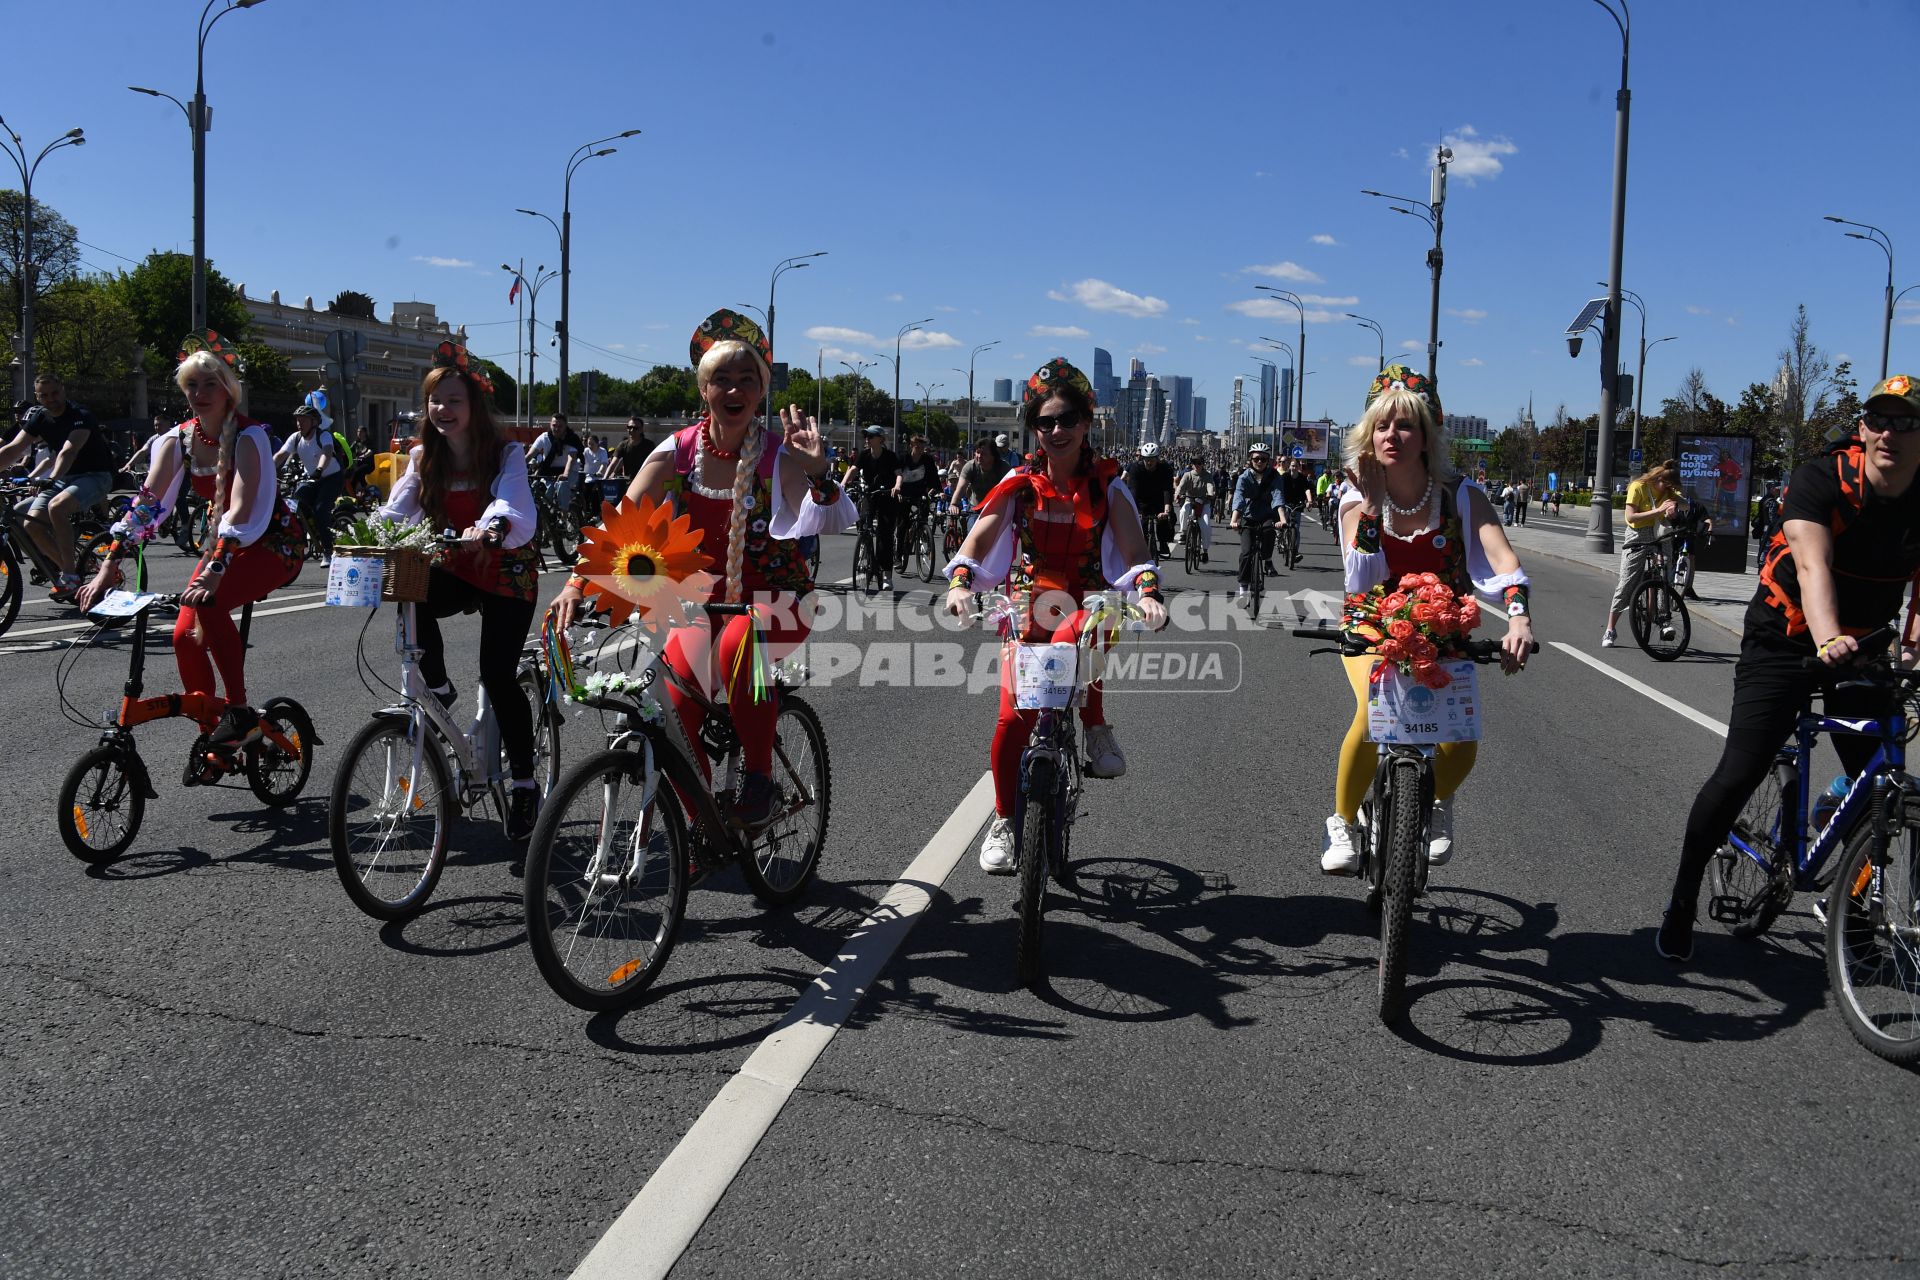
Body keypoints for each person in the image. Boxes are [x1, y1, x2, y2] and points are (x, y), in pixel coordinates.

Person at [545, 309, 852, 828]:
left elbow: (828, 518)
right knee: (677, 702)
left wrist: (818, 468)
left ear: (760, 392)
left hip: (778, 599)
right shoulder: (677, 452)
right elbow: (623, 523)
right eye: (722, 380)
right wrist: (576, 581)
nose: (734, 389)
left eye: (746, 380)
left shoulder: (779, 456)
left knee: (738, 646)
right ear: (704, 390)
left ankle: (759, 779)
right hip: (701, 601)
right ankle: (702, 826)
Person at [1656, 375, 1920, 962]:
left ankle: (1852, 917)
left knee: (1879, 785)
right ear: (1862, 429)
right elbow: (1811, 564)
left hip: (1866, 643)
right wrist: (1828, 640)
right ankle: (1682, 897)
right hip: (1788, 638)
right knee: (1739, 772)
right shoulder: (1822, 478)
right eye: (1879, 419)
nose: (1890, 433)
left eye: (1906, 423)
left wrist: (1911, 644)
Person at [943, 358, 1166, 872]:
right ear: (1034, 428)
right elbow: (980, 538)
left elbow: (1134, 553)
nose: (1057, 430)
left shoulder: (1109, 486)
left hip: (1088, 604)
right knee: (1008, 720)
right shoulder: (1019, 483)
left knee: (1076, 634)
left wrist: (1148, 593)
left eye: (1067, 419)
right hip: (1027, 602)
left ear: (1086, 423)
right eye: (1046, 422)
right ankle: (1003, 818)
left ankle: (1094, 723)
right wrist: (960, 583)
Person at [1322, 365, 1533, 873]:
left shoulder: (1461, 496)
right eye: (1382, 426)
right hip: (1373, 624)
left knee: (1460, 737)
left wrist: (1519, 619)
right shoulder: (1354, 495)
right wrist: (1372, 508)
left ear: (1426, 435)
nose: (1392, 436)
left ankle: (1438, 803)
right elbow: (1362, 577)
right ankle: (1343, 824)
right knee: (1372, 716)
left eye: (1406, 426)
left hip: (1443, 627)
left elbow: (1504, 562)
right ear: (1368, 434)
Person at [77, 333, 307, 750]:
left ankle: (238, 711)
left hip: (272, 544)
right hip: (223, 545)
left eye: (210, 384)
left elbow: (240, 511)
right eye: (192, 386)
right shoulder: (177, 440)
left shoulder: (250, 437)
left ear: (228, 389)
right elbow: (147, 504)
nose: (200, 394)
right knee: (184, 635)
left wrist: (216, 570)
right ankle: (211, 738)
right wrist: (109, 565)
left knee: (211, 603)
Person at [379, 341, 546, 840]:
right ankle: (440, 685)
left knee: (497, 674)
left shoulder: (504, 452)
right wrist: (369, 534)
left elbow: (513, 505)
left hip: (505, 571)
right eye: (435, 401)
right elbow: (397, 510)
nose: (442, 410)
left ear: (473, 407)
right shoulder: (421, 457)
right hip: (456, 565)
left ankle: (522, 784)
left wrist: (490, 528)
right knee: (408, 596)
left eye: (453, 400)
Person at [0, 373, 117, 602]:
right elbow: (14, 448)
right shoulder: (41, 418)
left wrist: (52, 478)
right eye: (44, 395)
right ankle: (70, 566)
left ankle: (71, 575)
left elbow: (69, 450)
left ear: (62, 390)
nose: (50, 399)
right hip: (65, 479)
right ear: (37, 397)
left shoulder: (80, 415)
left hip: (96, 475)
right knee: (30, 521)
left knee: (57, 507)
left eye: (54, 393)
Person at [1601, 460, 1680, 647]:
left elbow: (1684, 503)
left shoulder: (1669, 491)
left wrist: (1674, 511)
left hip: (1660, 534)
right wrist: (1658, 510)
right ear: (1659, 479)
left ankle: (1664, 620)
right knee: (1627, 581)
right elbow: (1630, 517)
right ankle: (1610, 629)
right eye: (1667, 486)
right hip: (1637, 534)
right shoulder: (1638, 487)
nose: (1668, 490)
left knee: (1665, 575)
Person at [273, 400, 344, 561]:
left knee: (320, 511)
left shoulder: (323, 435)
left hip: (331, 478)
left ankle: (328, 550)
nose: (299, 423)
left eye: (303, 420)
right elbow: (280, 456)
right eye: (297, 420)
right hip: (312, 479)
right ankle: (308, 536)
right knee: (296, 502)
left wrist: (319, 470)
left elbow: (326, 453)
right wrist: (264, 469)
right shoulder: (296, 438)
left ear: (314, 422)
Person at [846, 425, 901, 588]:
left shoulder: (890, 456)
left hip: (887, 496)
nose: (867, 439)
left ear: (881, 439)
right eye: (866, 436)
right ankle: (865, 546)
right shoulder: (863, 455)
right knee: (863, 524)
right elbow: (854, 469)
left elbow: (898, 473)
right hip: (870, 494)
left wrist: (897, 486)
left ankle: (886, 576)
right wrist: (842, 484)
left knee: (885, 535)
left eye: (871, 436)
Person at [1230, 442, 1284, 600]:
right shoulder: (1244, 477)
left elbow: (1278, 497)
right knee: (1246, 553)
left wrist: (1282, 519)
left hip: (1267, 514)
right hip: (1249, 516)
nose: (1259, 462)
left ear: (1269, 461)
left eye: (1263, 459)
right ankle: (1243, 588)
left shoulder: (1275, 476)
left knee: (1269, 531)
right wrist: (1234, 520)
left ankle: (1267, 559)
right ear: (1250, 459)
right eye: (1256, 459)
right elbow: (1238, 498)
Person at [892, 434, 939, 567]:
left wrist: (935, 490)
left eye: (922, 446)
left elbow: (933, 478)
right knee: (902, 524)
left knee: (923, 517)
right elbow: (895, 476)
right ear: (911, 446)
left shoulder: (927, 460)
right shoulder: (903, 459)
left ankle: (921, 532)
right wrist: (898, 492)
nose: (920, 449)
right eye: (917, 446)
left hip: (920, 493)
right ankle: (898, 555)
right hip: (904, 493)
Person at [1125, 442, 1176, 557]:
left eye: (1152, 459)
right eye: (1147, 459)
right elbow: (1133, 490)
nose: (1149, 462)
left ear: (1157, 459)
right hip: (1142, 501)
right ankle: (1143, 547)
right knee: (1140, 525)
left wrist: (1167, 509)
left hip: (1159, 500)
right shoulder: (1135, 468)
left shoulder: (1166, 468)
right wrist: (1135, 511)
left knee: (1166, 519)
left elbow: (1167, 490)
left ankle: (1163, 543)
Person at [526, 412, 581, 512]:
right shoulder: (544, 437)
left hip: (568, 470)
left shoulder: (571, 438)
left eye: (560, 426)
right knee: (540, 489)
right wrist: (518, 466)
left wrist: (565, 474)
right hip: (549, 471)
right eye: (554, 425)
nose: (557, 428)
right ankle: (545, 516)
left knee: (562, 485)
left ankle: (563, 516)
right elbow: (530, 455)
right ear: (550, 425)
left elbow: (571, 459)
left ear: (565, 427)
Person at [1671, 490, 1712, 600]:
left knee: (1691, 559)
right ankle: (1670, 584)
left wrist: (1709, 528)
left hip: (1689, 535)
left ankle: (1688, 588)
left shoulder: (1696, 506)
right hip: (1675, 535)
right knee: (1672, 559)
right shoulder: (1672, 505)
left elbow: (1706, 519)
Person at [1174, 460, 1211, 563]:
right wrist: (1177, 493)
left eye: (1199, 463)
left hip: (1204, 503)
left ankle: (1205, 551)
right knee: (1183, 511)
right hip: (1189, 500)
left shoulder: (1207, 475)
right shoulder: (1187, 475)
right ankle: (1184, 532)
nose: (1197, 465)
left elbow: (1210, 486)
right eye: (1195, 463)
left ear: (1203, 464)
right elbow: (1181, 486)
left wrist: (1211, 492)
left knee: (1206, 525)